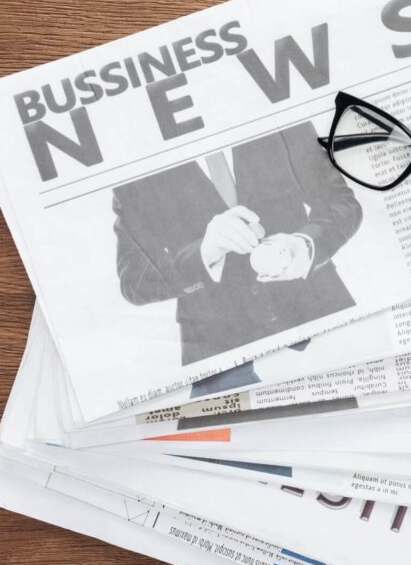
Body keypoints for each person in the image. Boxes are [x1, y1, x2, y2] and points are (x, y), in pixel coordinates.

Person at [112, 121, 363, 395]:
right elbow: (133, 279)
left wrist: (304, 244)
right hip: (219, 356)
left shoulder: (276, 117)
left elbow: (340, 202)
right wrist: (204, 253)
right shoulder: (134, 160)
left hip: (319, 322)